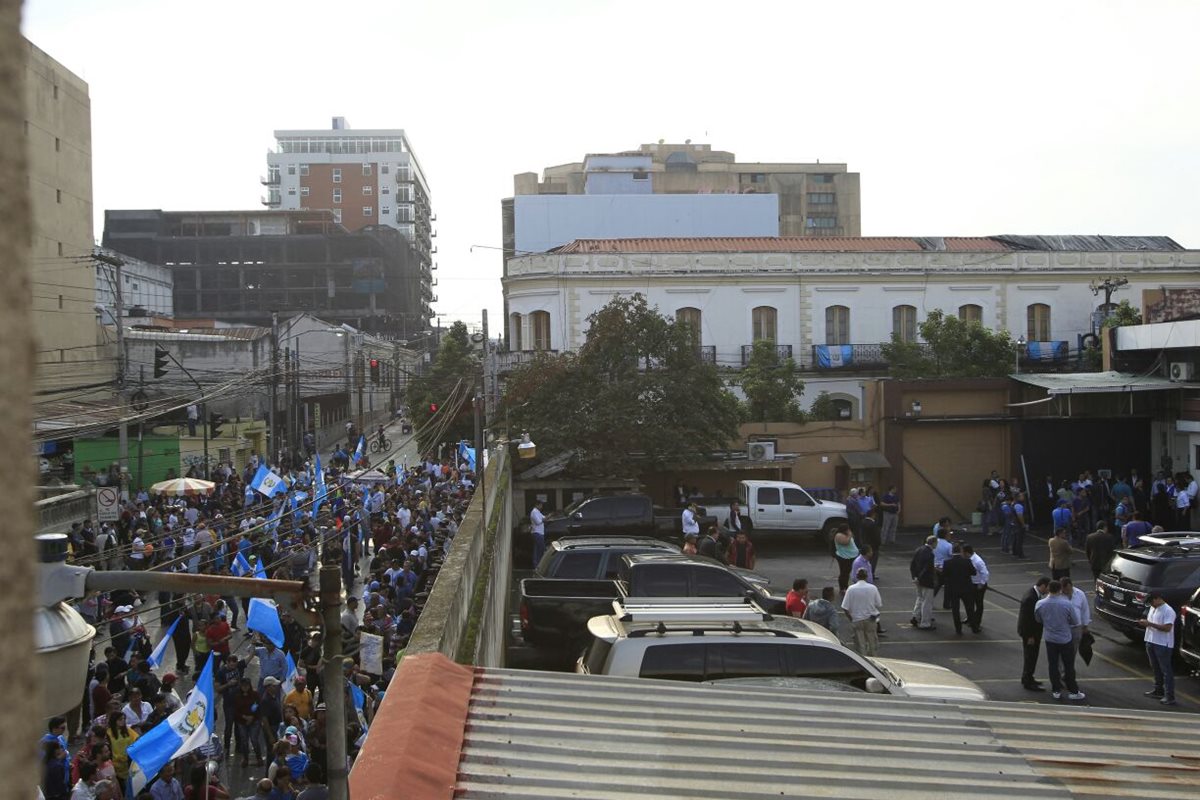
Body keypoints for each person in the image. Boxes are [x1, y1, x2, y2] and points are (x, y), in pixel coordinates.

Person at [1034, 580, 1085, 701]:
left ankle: (1056, 690)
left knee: (1053, 664)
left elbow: (1038, 619)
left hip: (1050, 638)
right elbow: (1075, 621)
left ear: (1049, 589)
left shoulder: (1040, 604)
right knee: (1068, 665)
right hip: (1065, 638)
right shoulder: (1066, 604)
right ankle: (1073, 690)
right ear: (1060, 590)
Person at [1139, 591, 1177, 706]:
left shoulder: (1168, 611)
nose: (1150, 604)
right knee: (1155, 668)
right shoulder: (1153, 608)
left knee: (1166, 671)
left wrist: (1149, 624)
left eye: (1151, 602)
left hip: (1162, 644)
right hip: (1151, 641)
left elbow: (1167, 628)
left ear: (1157, 599)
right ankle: (1158, 690)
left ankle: (1170, 696)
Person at [1018, 577, 1050, 692]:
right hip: (1030, 633)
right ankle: (1027, 681)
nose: (1048, 591)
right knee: (1030, 656)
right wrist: (1030, 636)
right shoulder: (1031, 598)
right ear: (1043, 586)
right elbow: (1028, 619)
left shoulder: (1033, 594)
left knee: (1031, 656)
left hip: (1031, 632)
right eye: (1047, 588)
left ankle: (1028, 677)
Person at [841, 568, 882, 656]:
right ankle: (874, 661)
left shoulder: (851, 589)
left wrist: (851, 618)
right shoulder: (873, 588)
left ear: (857, 577)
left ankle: (863, 661)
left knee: (860, 645)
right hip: (870, 619)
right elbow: (878, 604)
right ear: (866, 576)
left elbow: (845, 607)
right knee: (872, 643)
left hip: (857, 619)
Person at [941, 544, 977, 636]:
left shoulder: (947, 563)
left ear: (952, 552)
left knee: (955, 610)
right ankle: (974, 627)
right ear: (960, 551)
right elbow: (974, 572)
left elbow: (944, 575)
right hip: (966, 588)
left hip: (953, 589)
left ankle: (958, 629)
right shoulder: (967, 561)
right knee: (970, 608)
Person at [909, 535, 937, 630]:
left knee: (920, 598)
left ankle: (915, 616)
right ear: (933, 543)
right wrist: (921, 577)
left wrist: (915, 577)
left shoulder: (919, 550)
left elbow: (912, 564)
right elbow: (927, 568)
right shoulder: (930, 554)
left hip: (918, 579)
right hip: (926, 580)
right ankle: (925, 622)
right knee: (927, 602)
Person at [1060, 578, 1091, 652]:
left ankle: (1071, 663)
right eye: (1064, 590)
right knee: (1062, 651)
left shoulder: (1080, 594)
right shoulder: (1058, 595)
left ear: (1071, 586)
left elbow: (1085, 610)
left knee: (1073, 650)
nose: (1066, 592)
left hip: (1076, 628)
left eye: (1068, 589)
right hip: (1064, 628)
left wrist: (1085, 625)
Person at [963, 544, 989, 633]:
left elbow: (985, 573)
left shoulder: (977, 561)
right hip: (971, 584)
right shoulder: (968, 559)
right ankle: (971, 619)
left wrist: (981, 583)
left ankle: (977, 622)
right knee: (970, 603)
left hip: (978, 585)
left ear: (967, 553)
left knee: (978, 604)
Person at [832, 523, 859, 593]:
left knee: (846, 572)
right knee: (844, 573)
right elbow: (846, 542)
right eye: (848, 529)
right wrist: (849, 535)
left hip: (850, 556)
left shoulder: (846, 534)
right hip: (844, 557)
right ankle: (843, 587)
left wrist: (849, 534)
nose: (849, 530)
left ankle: (845, 586)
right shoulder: (839, 535)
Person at [529, 500, 546, 568]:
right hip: (537, 533)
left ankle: (536, 565)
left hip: (540, 533)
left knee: (536, 549)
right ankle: (538, 564)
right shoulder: (534, 512)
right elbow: (538, 522)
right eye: (541, 505)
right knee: (541, 549)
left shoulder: (538, 512)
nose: (542, 507)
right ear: (537, 505)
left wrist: (548, 516)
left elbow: (543, 517)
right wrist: (544, 519)